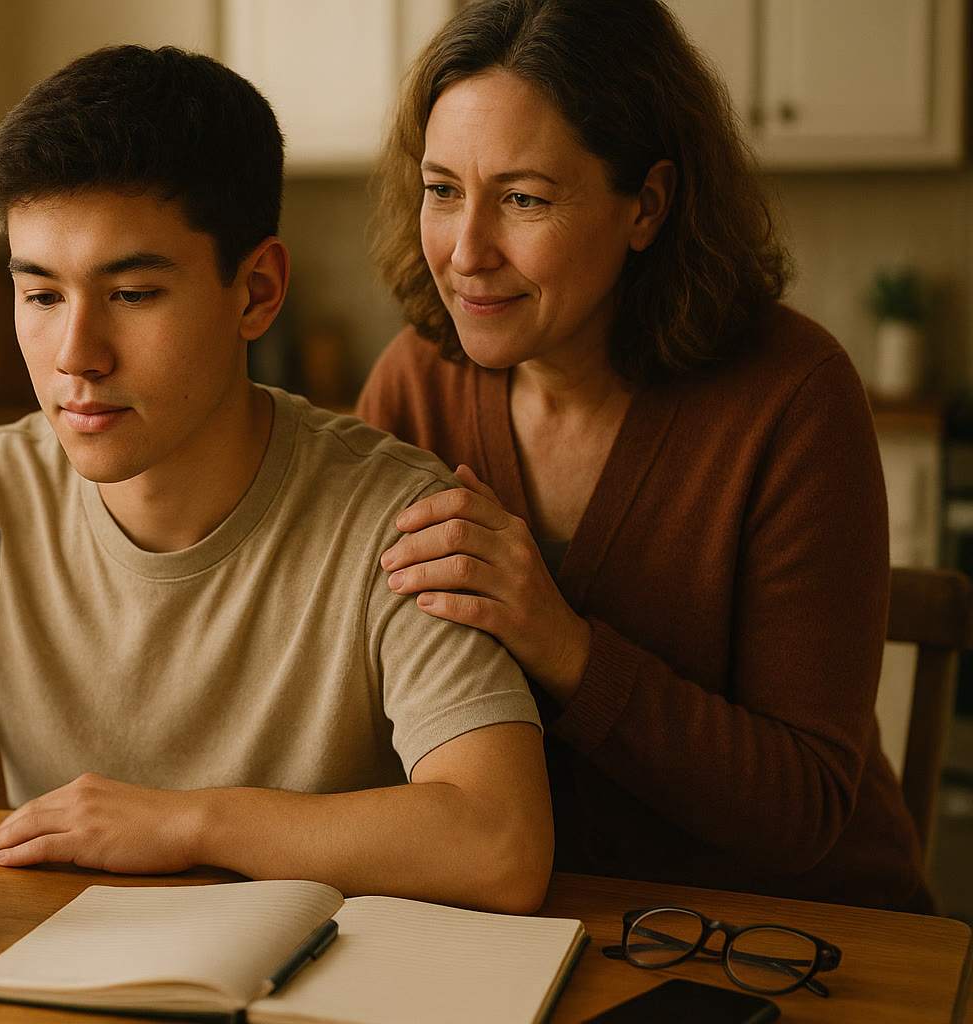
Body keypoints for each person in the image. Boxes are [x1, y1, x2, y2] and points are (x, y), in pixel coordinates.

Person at [0, 44, 553, 911]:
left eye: (132, 294)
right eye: (42, 295)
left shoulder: (396, 518)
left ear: (255, 291)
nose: (76, 358)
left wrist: (187, 824)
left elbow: (501, 843)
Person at [357, 0, 933, 913]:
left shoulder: (793, 398)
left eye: (522, 198)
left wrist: (564, 645)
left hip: (796, 934)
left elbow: (806, 808)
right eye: (442, 190)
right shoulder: (414, 386)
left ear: (648, 205)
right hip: (531, 923)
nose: (466, 251)